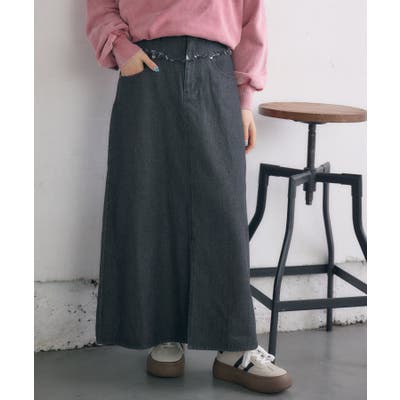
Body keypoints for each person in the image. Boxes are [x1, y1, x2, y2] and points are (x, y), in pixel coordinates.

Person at [86, 0, 292, 394]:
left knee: (223, 207)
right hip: (148, 71)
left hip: (217, 72)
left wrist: (244, 99)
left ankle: (234, 348)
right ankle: (163, 331)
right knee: (149, 201)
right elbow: (101, 4)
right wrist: (122, 48)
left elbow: (251, 19)